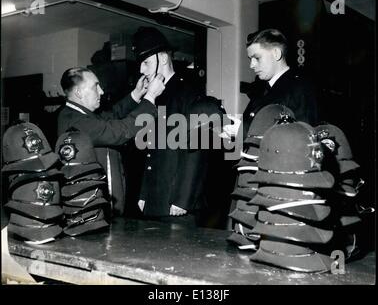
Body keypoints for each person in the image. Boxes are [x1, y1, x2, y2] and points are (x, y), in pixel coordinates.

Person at [57, 67, 165, 216]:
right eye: (96, 86)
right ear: (79, 93)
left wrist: (136, 94)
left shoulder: (79, 114)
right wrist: (150, 97)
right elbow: (119, 131)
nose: (101, 91)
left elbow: (112, 115)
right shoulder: (75, 122)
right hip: (93, 210)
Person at [132, 26, 208, 225]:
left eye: (146, 63)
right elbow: (150, 150)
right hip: (155, 200)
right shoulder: (154, 95)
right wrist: (144, 193)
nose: (141, 70)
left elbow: (197, 147)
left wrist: (183, 199)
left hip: (178, 203)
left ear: (163, 59)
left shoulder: (188, 92)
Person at [224, 28, 319, 140]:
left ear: (276, 54)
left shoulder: (299, 89)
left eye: (257, 58)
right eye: (250, 59)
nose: (251, 65)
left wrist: (244, 132)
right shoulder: (262, 88)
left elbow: (302, 140)